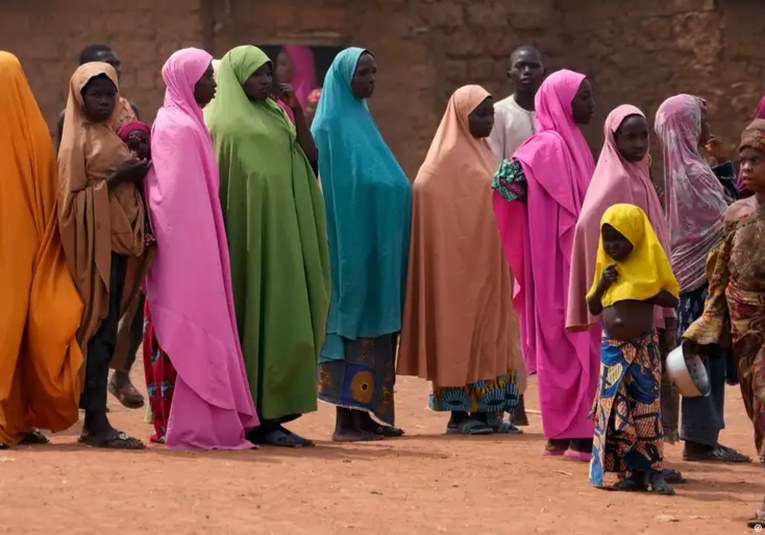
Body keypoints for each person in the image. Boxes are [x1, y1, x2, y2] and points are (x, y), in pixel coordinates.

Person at [205, 45, 330, 447]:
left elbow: (310, 159)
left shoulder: (276, 112)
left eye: (267, 72)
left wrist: (297, 112)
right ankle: (254, 417)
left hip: (284, 234)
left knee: (286, 316)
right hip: (246, 239)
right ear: (235, 77)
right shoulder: (220, 122)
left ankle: (275, 410)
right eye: (256, 74)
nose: (265, 80)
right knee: (251, 317)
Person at [141, 47, 259, 449]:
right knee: (184, 323)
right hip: (182, 253)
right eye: (206, 77)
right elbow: (167, 196)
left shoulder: (191, 122)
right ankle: (178, 422)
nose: (212, 84)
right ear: (187, 82)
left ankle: (198, 418)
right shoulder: (175, 126)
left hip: (200, 247)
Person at [566, 105, 685, 483]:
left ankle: (646, 463)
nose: (637, 143)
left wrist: (650, 282)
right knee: (619, 398)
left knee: (645, 395)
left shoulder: (639, 174)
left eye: (642, 135)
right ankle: (625, 464)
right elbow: (590, 225)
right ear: (612, 140)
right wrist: (608, 277)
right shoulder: (616, 178)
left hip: (644, 307)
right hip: (620, 309)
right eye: (628, 136)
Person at [398, 85, 522, 435]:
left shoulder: (486, 154)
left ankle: (489, 413)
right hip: (456, 270)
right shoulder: (439, 165)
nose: (488, 120)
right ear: (461, 117)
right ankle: (461, 415)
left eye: (490, 113)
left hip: (492, 266)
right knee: (460, 335)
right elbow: (425, 190)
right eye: (480, 114)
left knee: (493, 336)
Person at [491, 69, 599, 460]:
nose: (590, 104)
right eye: (583, 97)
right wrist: (534, 216)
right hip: (557, 266)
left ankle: (562, 433)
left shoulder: (577, 146)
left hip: (573, 262)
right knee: (568, 343)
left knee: (572, 344)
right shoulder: (548, 146)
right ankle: (576, 435)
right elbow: (502, 181)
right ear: (561, 102)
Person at [312, 48, 412, 442]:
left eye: (374, 71)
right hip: (349, 244)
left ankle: (366, 415)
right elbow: (336, 191)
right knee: (352, 321)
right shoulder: (329, 125)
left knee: (376, 324)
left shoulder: (363, 120)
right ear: (343, 78)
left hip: (376, 244)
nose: (371, 80)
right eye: (363, 73)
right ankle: (345, 422)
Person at [57, 61, 152, 449]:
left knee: (107, 331)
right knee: (96, 331)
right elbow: (69, 205)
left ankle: (96, 418)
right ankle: (95, 423)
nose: (103, 100)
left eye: (109, 93)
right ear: (80, 98)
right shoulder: (75, 141)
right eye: (95, 94)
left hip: (116, 248)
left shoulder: (114, 131)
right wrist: (117, 180)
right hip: (90, 253)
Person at [654, 94, 750, 463]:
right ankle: (701, 440)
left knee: (695, 358)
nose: (706, 127)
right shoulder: (694, 173)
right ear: (686, 127)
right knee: (703, 358)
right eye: (700, 120)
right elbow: (728, 216)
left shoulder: (678, 169)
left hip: (685, 278)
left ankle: (701, 436)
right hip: (702, 281)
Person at [682, 119, 765, 528]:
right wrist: (705, 325)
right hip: (744, 334)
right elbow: (720, 278)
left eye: (757, 160)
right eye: (743, 160)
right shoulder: (736, 215)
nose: (746, 167)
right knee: (756, 409)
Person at [0, 52, 84, 449]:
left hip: (19, 253)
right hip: (25, 255)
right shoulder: (31, 129)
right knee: (16, 330)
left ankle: (13, 418)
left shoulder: (31, 132)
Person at [587, 203, 679, 495]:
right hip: (612, 352)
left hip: (642, 350)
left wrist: (647, 289)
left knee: (645, 410)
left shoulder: (650, 262)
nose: (612, 245)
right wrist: (602, 284)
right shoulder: (607, 267)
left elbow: (672, 298)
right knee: (615, 410)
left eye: (619, 238)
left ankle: (653, 471)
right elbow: (592, 306)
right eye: (607, 238)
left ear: (636, 237)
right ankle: (628, 473)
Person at [485, 45, 546, 427]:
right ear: (510, 73)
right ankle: (516, 396)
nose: (527, 72)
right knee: (513, 310)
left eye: (533, 66)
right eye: (519, 66)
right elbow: (496, 168)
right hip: (513, 219)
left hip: (545, 222)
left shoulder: (550, 112)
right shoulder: (501, 116)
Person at [275, 45, 317, 124]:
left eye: (283, 64)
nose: (278, 69)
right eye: (277, 64)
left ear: (299, 66)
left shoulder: (315, 98)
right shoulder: (282, 96)